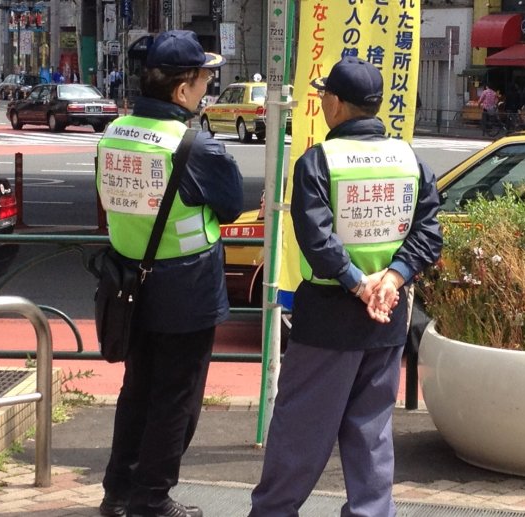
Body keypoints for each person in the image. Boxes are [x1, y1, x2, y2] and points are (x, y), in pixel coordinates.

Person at [248, 56, 443, 517]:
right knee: (371, 432)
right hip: (388, 314)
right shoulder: (409, 160)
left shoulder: (319, 161)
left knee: (301, 428)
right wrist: (391, 278)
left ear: (335, 103)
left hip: (329, 317)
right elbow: (429, 233)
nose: (321, 102)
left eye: (324, 95)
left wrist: (359, 285)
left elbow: (317, 240)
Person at [96, 30, 243, 517]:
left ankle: (118, 492)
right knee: (176, 399)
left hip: (127, 284)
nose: (207, 89)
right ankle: (153, 499)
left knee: (136, 391)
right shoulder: (196, 147)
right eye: (203, 80)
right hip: (187, 288)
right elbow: (231, 206)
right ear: (182, 90)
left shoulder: (114, 133)